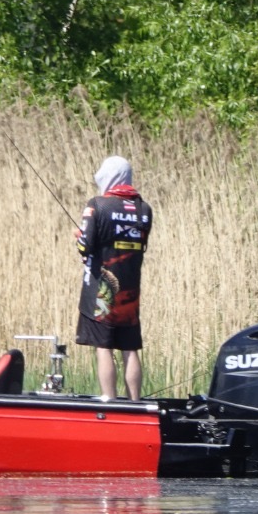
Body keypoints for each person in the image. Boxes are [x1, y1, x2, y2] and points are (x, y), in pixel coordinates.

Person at [74, 155, 153, 400]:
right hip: (131, 290)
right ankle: (135, 401)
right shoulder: (144, 209)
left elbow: (84, 247)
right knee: (130, 348)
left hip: (103, 288)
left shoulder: (97, 205)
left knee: (104, 346)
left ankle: (109, 399)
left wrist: (78, 236)